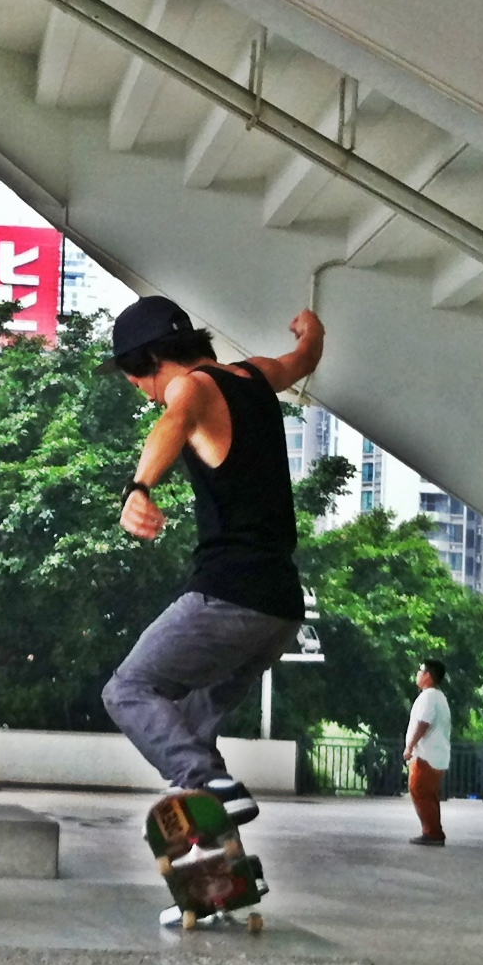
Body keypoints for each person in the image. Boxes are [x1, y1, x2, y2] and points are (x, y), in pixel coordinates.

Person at [101, 294, 324, 824]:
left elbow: (173, 422)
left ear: (153, 360)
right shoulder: (255, 375)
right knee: (190, 731)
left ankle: (208, 787)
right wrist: (312, 331)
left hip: (229, 598)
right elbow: (302, 361)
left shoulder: (191, 386)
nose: (142, 391)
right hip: (278, 609)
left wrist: (139, 488)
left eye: (136, 379)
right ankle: (219, 858)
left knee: (128, 690)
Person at [404, 659, 451, 845]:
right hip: (436, 754)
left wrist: (410, 746)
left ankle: (433, 833)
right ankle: (432, 830)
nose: (417, 674)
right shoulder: (438, 696)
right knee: (428, 795)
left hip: (426, 754)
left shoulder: (429, 696)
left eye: (420, 670)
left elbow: (424, 722)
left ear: (428, 676)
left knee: (421, 792)